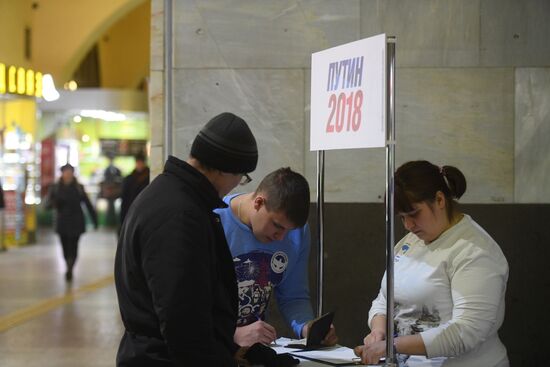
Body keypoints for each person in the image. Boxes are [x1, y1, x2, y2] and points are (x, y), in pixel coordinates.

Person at [114, 112, 260, 366]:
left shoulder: (166, 194)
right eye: (241, 177)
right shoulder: (180, 215)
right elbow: (183, 320)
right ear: (225, 169)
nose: (237, 185)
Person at [355, 160, 509, 366]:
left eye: (414, 214)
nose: (408, 225)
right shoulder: (410, 241)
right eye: (402, 218)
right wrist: (378, 330)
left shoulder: (474, 251)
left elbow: (466, 332)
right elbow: (384, 299)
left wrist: (393, 345)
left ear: (439, 199)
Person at [215, 167, 338, 347]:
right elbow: (189, 302)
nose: (280, 237)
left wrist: (308, 327)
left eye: (289, 231)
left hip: (252, 351)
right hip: (209, 347)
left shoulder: (297, 234)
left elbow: (293, 296)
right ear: (258, 203)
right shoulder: (213, 221)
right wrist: (232, 334)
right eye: (277, 226)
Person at [45, 164, 98, 281]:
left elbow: (87, 203)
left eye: (70, 172)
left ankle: (70, 268)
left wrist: (95, 220)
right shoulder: (55, 187)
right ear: (62, 173)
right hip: (62, 221)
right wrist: (55, 202)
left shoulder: (78, 187)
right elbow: (47, 205)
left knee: (73, 246)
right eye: (66, 172)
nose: (68, 174)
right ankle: (68, 264)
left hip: (76, 221)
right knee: (64, 246)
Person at [119, 151, 150, 225]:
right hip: (132, 213)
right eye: (138, 162)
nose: (139, 165)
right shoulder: (129, 179)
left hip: (145, 212)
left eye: (141, 162)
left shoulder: (150, 178)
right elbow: (124, 201)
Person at [101, 153, 122, 227]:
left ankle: (113, 222)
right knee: (110, 207)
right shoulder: (107, 170)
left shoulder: (116, 170)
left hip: (115, 192)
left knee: (114, 207)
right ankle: (110, 222)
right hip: (109, 192)